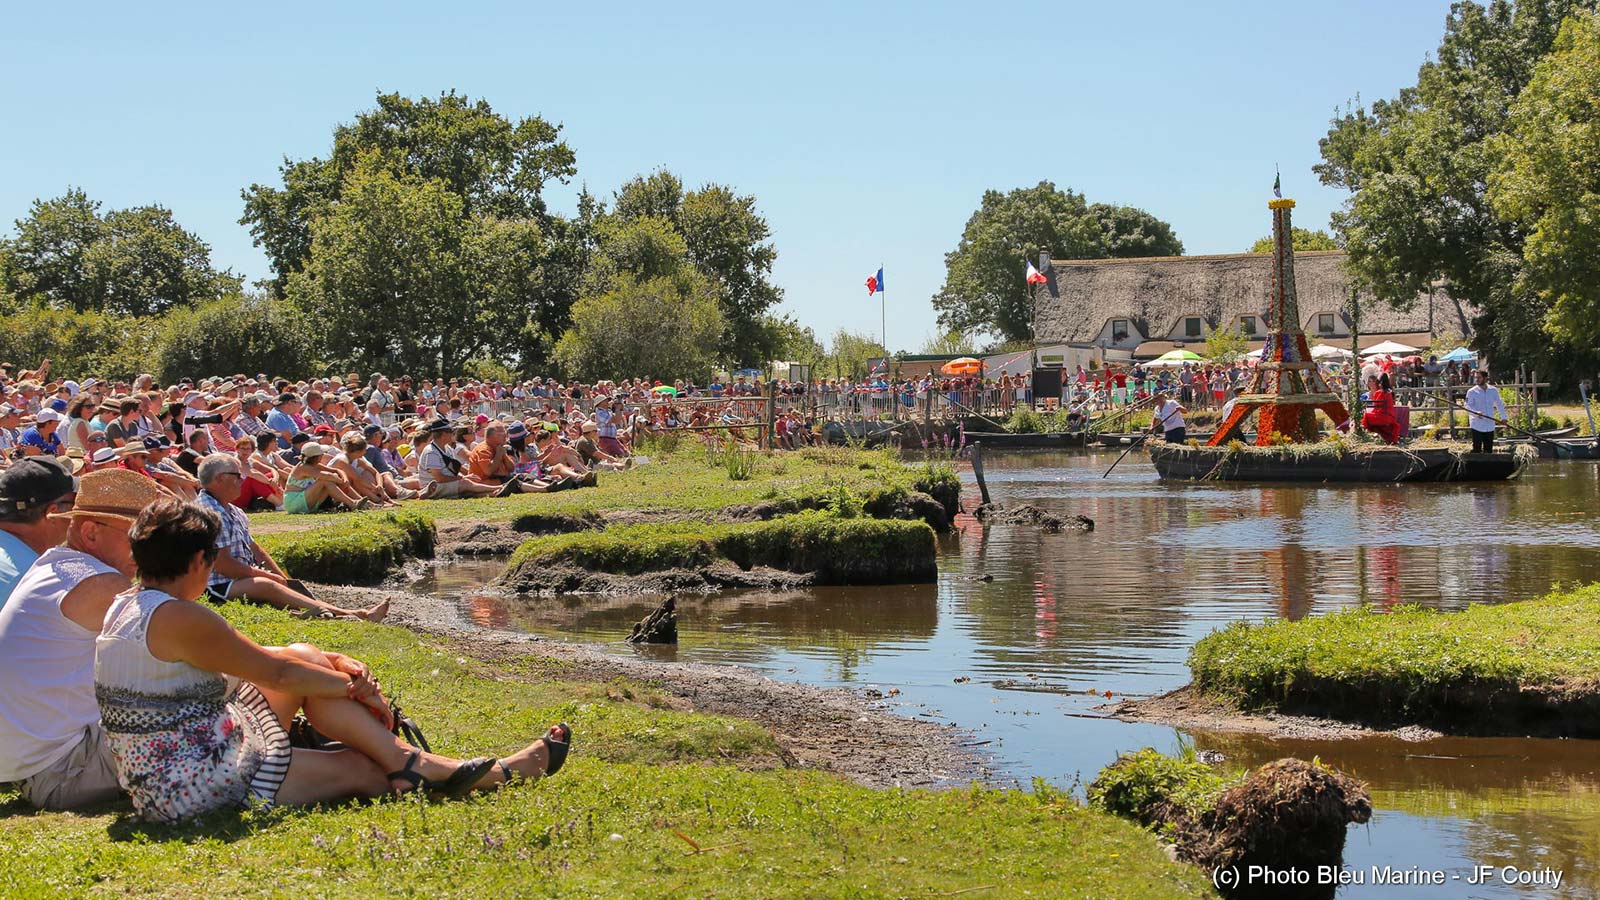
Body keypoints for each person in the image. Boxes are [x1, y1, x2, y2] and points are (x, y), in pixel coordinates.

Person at [94, 498, 571, 823]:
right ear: (200, 559)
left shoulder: (131, 603)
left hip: (170, 764)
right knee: (359, 769)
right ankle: (471, 772)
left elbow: (270, 658)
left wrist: (333, 659)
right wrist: (354, 689)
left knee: (306, 655)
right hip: (188, 786)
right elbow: (274, 673)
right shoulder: (184, 617)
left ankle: (412, 763)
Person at [0, 469, 160, 810]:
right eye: (142, 537)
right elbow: (186, 652)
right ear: (89, 532)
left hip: (40, 764)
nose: (152, 550)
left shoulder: (55, 567)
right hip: (65, 771)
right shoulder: (99, 583)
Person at [195, 455, 387, 621]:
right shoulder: (208, 512)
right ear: (220, 479)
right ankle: (352, 613)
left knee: (280, 585)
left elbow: (255, 548)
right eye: (238, 475)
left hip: (236, 579)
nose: (243, 479)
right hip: (214, 586)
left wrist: (282, 577)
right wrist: (266, 576)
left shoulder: (232, 510)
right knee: (267, 585)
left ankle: (315, 610)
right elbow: (223, 565)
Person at [283, 443, 367, 513]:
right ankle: (352, 504)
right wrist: (341, 482)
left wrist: (345, 479)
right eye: (322, 454)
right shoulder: (303, 467)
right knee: (324, 481)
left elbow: (336, 470)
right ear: (317, 456)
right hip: (294, 503)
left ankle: (356, 503)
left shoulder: (314, 465)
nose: (323, 455)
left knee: (327, 482)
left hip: (305, 500)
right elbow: (327, 476)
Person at [1464, 369, 1507, 453]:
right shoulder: (1472, 392)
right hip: (1477, 425)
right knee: (1477, 449)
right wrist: (1476, 413)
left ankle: (1488, 464)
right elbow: (1467, 406)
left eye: (1479, 377)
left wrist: (1503, 417)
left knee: (1488, 449)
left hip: (1490, 424)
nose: (1477, 379)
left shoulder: (1493, 390)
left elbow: (1499, 404)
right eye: (1476, 377)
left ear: (1485, 378)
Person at [1361, 373, 1401, 444]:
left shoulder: (1379, 393)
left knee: (1366, 415)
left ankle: (1368, 434)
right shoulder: (1390, 392)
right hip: (1390, 417)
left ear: (1380, 382)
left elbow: (1375, 407)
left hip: (1380, 417)